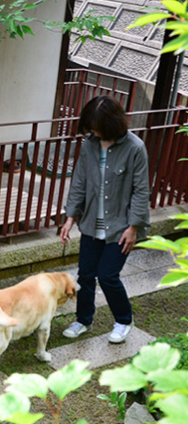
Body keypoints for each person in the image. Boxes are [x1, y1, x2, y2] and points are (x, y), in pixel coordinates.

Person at [59, 95, 150, 343]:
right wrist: (69, 218)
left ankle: (123, 320)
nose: (93, 131)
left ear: (111, 123)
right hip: (91, 223)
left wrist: (134, 227)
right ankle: (83, 320)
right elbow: (79, 182)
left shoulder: (134, 148)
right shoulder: (89, 145)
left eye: (97, 126)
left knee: (108, 276)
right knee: (85, 275)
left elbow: (141, 190)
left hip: (121, 226)